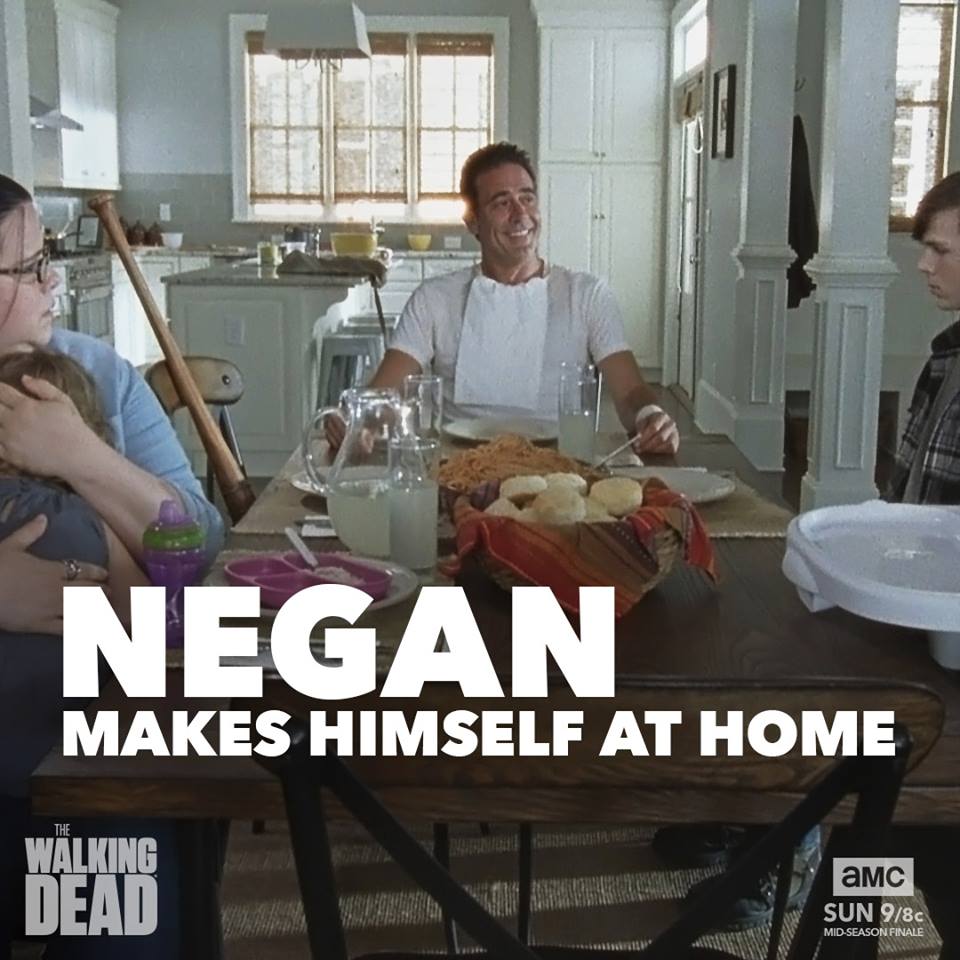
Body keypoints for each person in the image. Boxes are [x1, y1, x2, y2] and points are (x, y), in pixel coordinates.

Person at [0, 173, 224, 956]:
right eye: (30, 267)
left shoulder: (94, 373)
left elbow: (202, 548)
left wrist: (82, 457)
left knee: (126, 873)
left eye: (48, 259)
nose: (53, 282)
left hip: (88, 775)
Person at [327, 142, 679, 454]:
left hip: (560, 470)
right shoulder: (435, 299)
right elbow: (386, 391)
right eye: (501, 203)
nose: (520, 214)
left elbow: (630, 392)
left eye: (527, 198)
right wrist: (359, 422)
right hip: (458, 467)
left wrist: (650, 417)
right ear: (472, 221)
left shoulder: (587, 296)